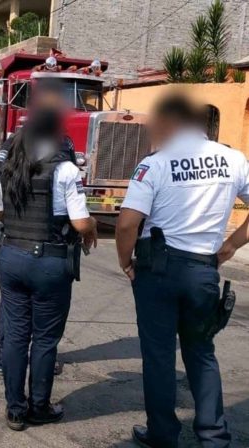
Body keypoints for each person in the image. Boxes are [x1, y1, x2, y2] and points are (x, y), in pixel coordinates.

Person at [116, 94, 241, 448]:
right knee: (201, 351)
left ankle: (163, 435)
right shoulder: (234, 160)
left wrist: (124, 261)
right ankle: (214, 437)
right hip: (204, 270)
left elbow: (127, 224)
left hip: (157, 270)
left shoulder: (155, 163)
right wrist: (231, 245)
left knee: (159, 356)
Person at [0, 90, 97, 432]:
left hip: (10, 257)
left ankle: (14, 409)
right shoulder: (65, 169)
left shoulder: (8, 166)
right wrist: (92, 226)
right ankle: (39, 407)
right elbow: (80, 223)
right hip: (49, 263)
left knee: (15, 335)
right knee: (44, 338)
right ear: (56, 130)